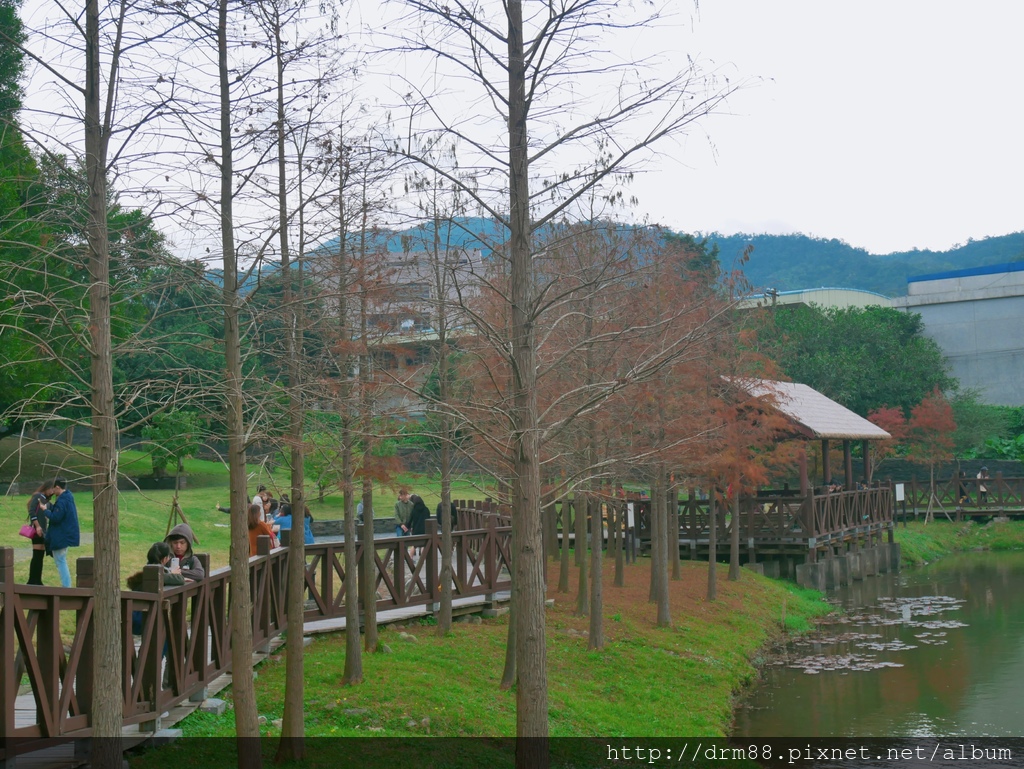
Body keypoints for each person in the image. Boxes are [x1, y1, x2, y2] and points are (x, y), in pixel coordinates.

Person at [44, 478, 79, 588]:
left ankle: (66, 587)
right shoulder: (67, 497)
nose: (53, 491)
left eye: (54, 488)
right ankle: (66, 586)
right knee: (61, 560)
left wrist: (45, 511)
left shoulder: (63, 500)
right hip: (65, 534)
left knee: (60, 561)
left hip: (61, 535)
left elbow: (56, 517)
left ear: (58, 487)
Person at [26, 482, 51, 585]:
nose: (52, 491)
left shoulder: (46, 499)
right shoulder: (38, 496)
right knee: (36, 555)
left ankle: (37, 580)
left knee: (40, 555)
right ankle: (32, 580)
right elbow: (31, 511)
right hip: (37, 530)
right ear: (47, 488)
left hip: (43, 530)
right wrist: (37, 526)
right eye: (51, 489)